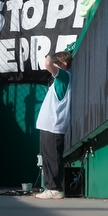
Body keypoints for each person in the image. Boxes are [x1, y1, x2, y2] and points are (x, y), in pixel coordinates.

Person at [35, 51, 73, 200]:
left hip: (53, 125)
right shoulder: (60, 80)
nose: (53, 67)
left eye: (57, 63)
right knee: (49, 158)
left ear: (63, 64)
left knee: (52, 158)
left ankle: (54, 188)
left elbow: (47, 64)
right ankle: (51, 188)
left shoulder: (63, 76)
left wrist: (49, 54)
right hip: (49, 126)